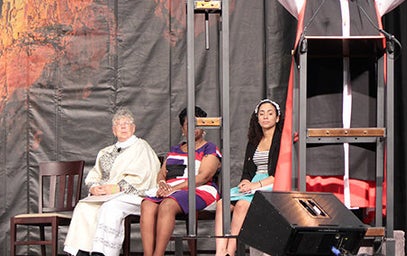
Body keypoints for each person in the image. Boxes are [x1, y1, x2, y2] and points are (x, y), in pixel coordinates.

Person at [263, 0, 407, 211]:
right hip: (320, 88)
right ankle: (321, 207)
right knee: (320, 144)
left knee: (360, 141)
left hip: (361, 83)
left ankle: (358, 209)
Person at [63, 108, 160, 256]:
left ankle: (103, 252)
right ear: (114, 131)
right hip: (106, 194)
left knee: (110, 207)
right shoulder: (105, 152)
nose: (122, 126)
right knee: (84, 206)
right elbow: (96, 175)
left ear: (133, 128)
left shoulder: (141, 147)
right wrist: (95, 188)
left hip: (134, 195)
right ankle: (80, 251)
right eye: (118, 124)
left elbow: (144, 175)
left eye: (126, 123)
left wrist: (117, 188)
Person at [140, 106, 222, 256]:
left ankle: (158, 254)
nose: (193, 128)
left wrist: (174, 188)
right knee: (147, 204)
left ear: (204, 127)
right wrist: (162, 184)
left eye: (198, 124)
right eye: (188, 125)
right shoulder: (175, 149)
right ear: (182, 129)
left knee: (168, 204)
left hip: (199, 189)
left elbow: (203, 176)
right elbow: (162, 173)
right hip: (171, 189)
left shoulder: (209, 148)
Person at [214, 99, 282, 256]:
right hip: (254, 182)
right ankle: (220, 251)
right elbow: (247, 171)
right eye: (262, 113)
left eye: (270, 113)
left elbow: (278, 174)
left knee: (242, 205)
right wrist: (245, 182)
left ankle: (229, 252)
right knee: (222, 204)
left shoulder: (281, 140)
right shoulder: (254, 141)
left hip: (271, 182)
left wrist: (255, 185)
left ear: (277, 118)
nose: (265, 117)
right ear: (257, 118)